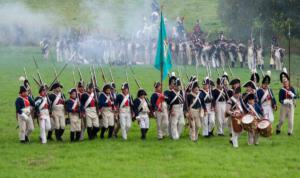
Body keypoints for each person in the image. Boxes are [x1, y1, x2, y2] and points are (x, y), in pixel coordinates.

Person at [276, 68, 297, 136]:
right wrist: (284, 101)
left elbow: (295, 97)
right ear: (283, 83)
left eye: (287, 81)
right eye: (284, 82)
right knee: (282, 120)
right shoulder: (282, 90)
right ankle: (278, 128)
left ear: (288, 81)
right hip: (284, 106)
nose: (286, 83)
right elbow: (280, 99)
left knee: (291, 121)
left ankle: (289, 132)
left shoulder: (292, 88)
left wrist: (293, 95)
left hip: (291, 105)